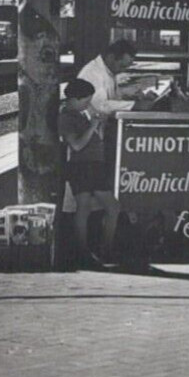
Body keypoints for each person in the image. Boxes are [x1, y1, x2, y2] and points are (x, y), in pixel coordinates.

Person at [59, 77, 118, 267]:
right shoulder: (66, 117)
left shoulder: (78, 113)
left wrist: (96, 127)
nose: (88, 105)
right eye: (85, 101)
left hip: (90, 165)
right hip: (84, 166)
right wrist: (93, 126)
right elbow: (76, 145)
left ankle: (86, 251)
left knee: (83, 208)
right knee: (112, 207)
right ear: (75, 99)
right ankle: (105, 249)